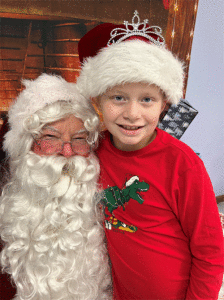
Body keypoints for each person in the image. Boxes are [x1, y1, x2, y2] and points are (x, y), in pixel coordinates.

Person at [76, 11, 224, 300]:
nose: (132, 115)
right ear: (98, 101)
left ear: (164, 104)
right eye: (118, 97)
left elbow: (210, 251)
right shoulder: (94, 149)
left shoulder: (183, 164)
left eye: (147, 99)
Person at [0, 74, 111, 300]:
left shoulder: (107, 208)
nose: (67, 152)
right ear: (27, 145)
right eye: (51, 137)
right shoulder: (10, 216)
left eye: (79, 139)